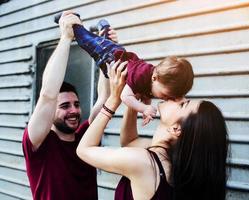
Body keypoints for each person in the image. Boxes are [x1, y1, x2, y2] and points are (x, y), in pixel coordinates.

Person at [76, 61, 229, 200]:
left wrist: (114, 99)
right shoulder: (171, 162)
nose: (179, 97)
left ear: (176, 129)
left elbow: (84, 150)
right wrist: (134, 102)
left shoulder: (144, 162)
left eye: (184, 104)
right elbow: (129, 142)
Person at [22, 10, 119, 200]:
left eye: (76, 104)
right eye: (65, 106)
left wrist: (108, 50)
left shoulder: (85, 137)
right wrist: (66, 37)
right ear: (50, 112)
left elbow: (105, 97)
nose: (74, 110)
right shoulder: (38, 143)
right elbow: (48, 94)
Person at [66, 14, 194, 125]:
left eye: (168, 98)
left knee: (103, 98)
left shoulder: (155, 83)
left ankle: (104, 29)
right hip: (109, 55)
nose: (164, 98)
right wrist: (143, 108)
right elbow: (125, 96)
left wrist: (146, 108)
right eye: (165, 95)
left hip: (116, 64)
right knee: (87, 41)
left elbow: (145, 95)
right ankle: (74, 23)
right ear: (155, 78)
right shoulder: (141, 75)